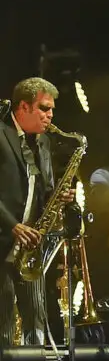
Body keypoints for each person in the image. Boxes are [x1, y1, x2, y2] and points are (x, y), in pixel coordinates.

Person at [0, 78, 58, 346]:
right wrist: (13, 225)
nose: (50, 115)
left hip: (30, 249)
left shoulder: (43, 144)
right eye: (44, 108)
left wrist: (59, 198)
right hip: (4, 241)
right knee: (4, 323)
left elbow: (44, 189)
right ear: (23, 106)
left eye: (51, 110)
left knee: (36, 319)